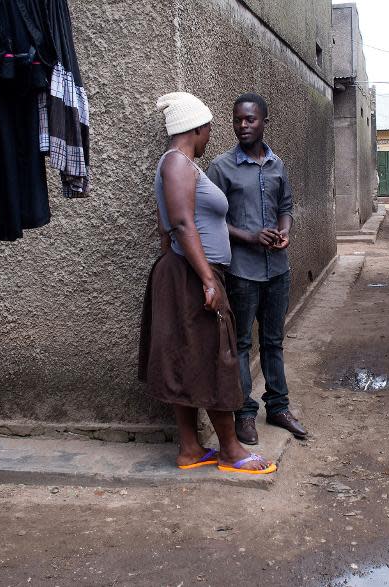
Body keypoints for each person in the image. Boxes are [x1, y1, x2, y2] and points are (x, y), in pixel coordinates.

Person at [138, 92, 276, 475]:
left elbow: (166, 227)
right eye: (209, 129)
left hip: (183, 270)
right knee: (220, 358)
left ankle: (189, 449)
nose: (211, 135)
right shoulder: (179, 164)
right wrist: (207, 280)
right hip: (193, 275)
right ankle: (231, 451)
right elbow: (181, 224)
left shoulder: (176, 165)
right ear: (196, 129)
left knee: (188, 358)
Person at [206, 93, 308, 445]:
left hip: (277, 269)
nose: (243, 126)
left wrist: (285, 232)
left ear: (264, 121)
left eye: (250, 119)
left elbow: (286, 205)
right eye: (238, 120)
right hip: (243, 272)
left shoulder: (277, 165)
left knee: (274, 341)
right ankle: (244, 414)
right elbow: (211, 219)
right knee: (244, 343)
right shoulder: (221, 168)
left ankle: (278, 408)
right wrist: (250, 237)